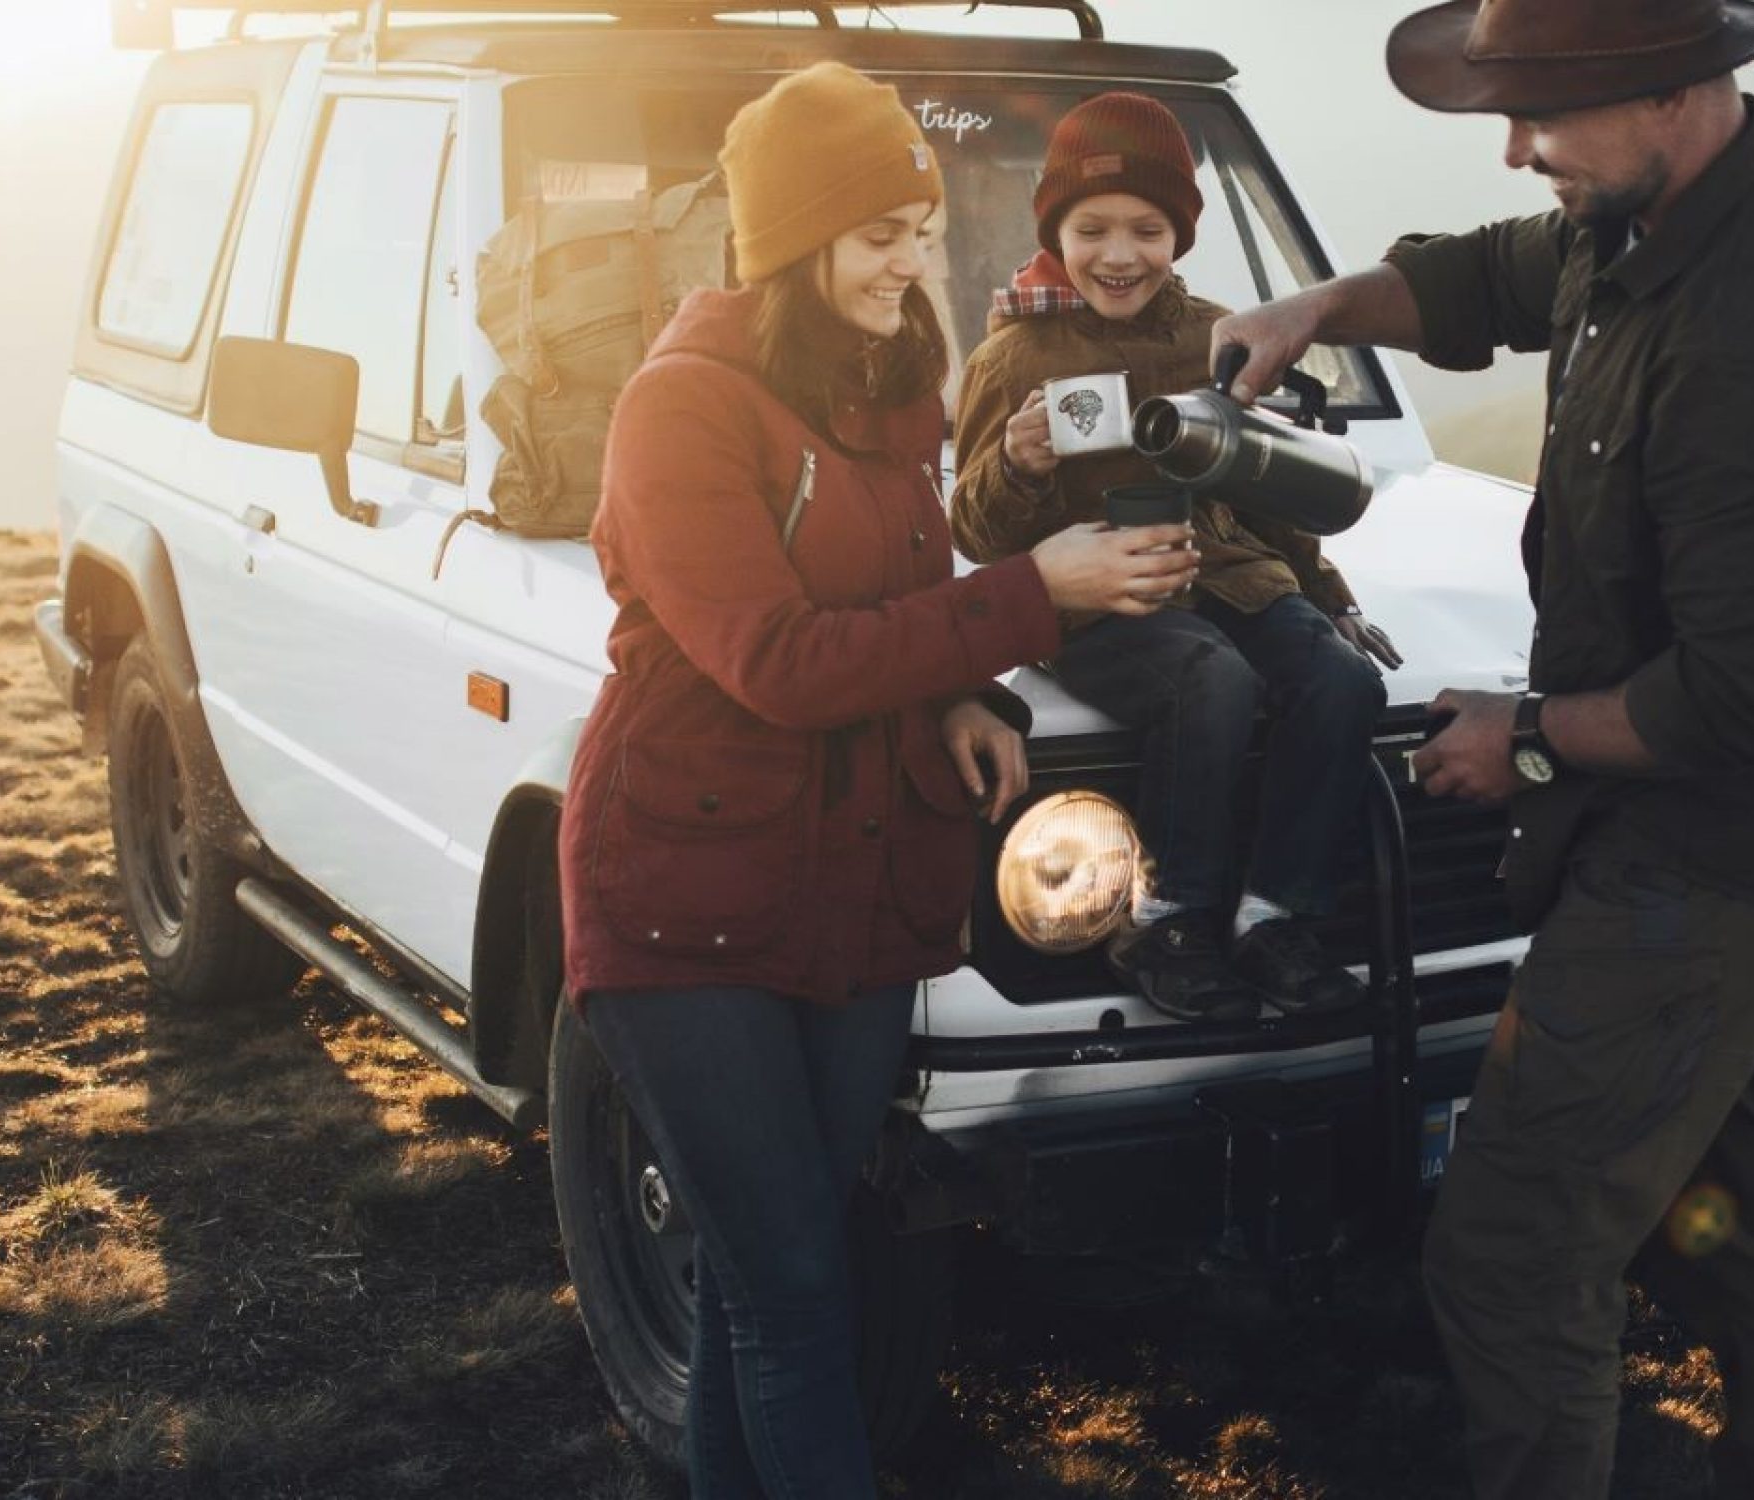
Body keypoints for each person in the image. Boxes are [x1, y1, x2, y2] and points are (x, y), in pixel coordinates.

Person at [1215, 3, 1754, 1495]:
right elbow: (1485, 278)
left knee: (1518, 1246)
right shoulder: (1644, 219)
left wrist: (1521, 740)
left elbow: (1739, 703)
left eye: (1542, 118)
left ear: (1673, 94)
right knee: (1738, 1202)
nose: (1518, 150)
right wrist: (1312, 310)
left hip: (1717, 859)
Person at [556, 62, 1197, 1498]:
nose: (916, 264)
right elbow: (777, 659)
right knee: (793, 1288)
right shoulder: (681, 409)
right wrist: (1032, 599)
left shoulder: (889, 388)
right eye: (879, 236)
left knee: (764, 1274)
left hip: (846, 891)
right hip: (686, 902)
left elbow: (890, 593)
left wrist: (963, 689)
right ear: (792, 244)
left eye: (921, 228)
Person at [950, 91, 1400, 1024]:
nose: (1120, 255)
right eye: (1092, 229)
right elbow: (978, 534)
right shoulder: (1014, 356)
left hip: (1231, 572)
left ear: (1179, 235)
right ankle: (1167, 917)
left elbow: (1265, 475)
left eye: (1147, 229)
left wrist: (1327, 593)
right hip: (1100, 601)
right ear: (1056, 231)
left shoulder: (1219, 335)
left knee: (1341, 681)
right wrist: (1020, 462)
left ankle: (1275, 915)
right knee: (1210, 678)